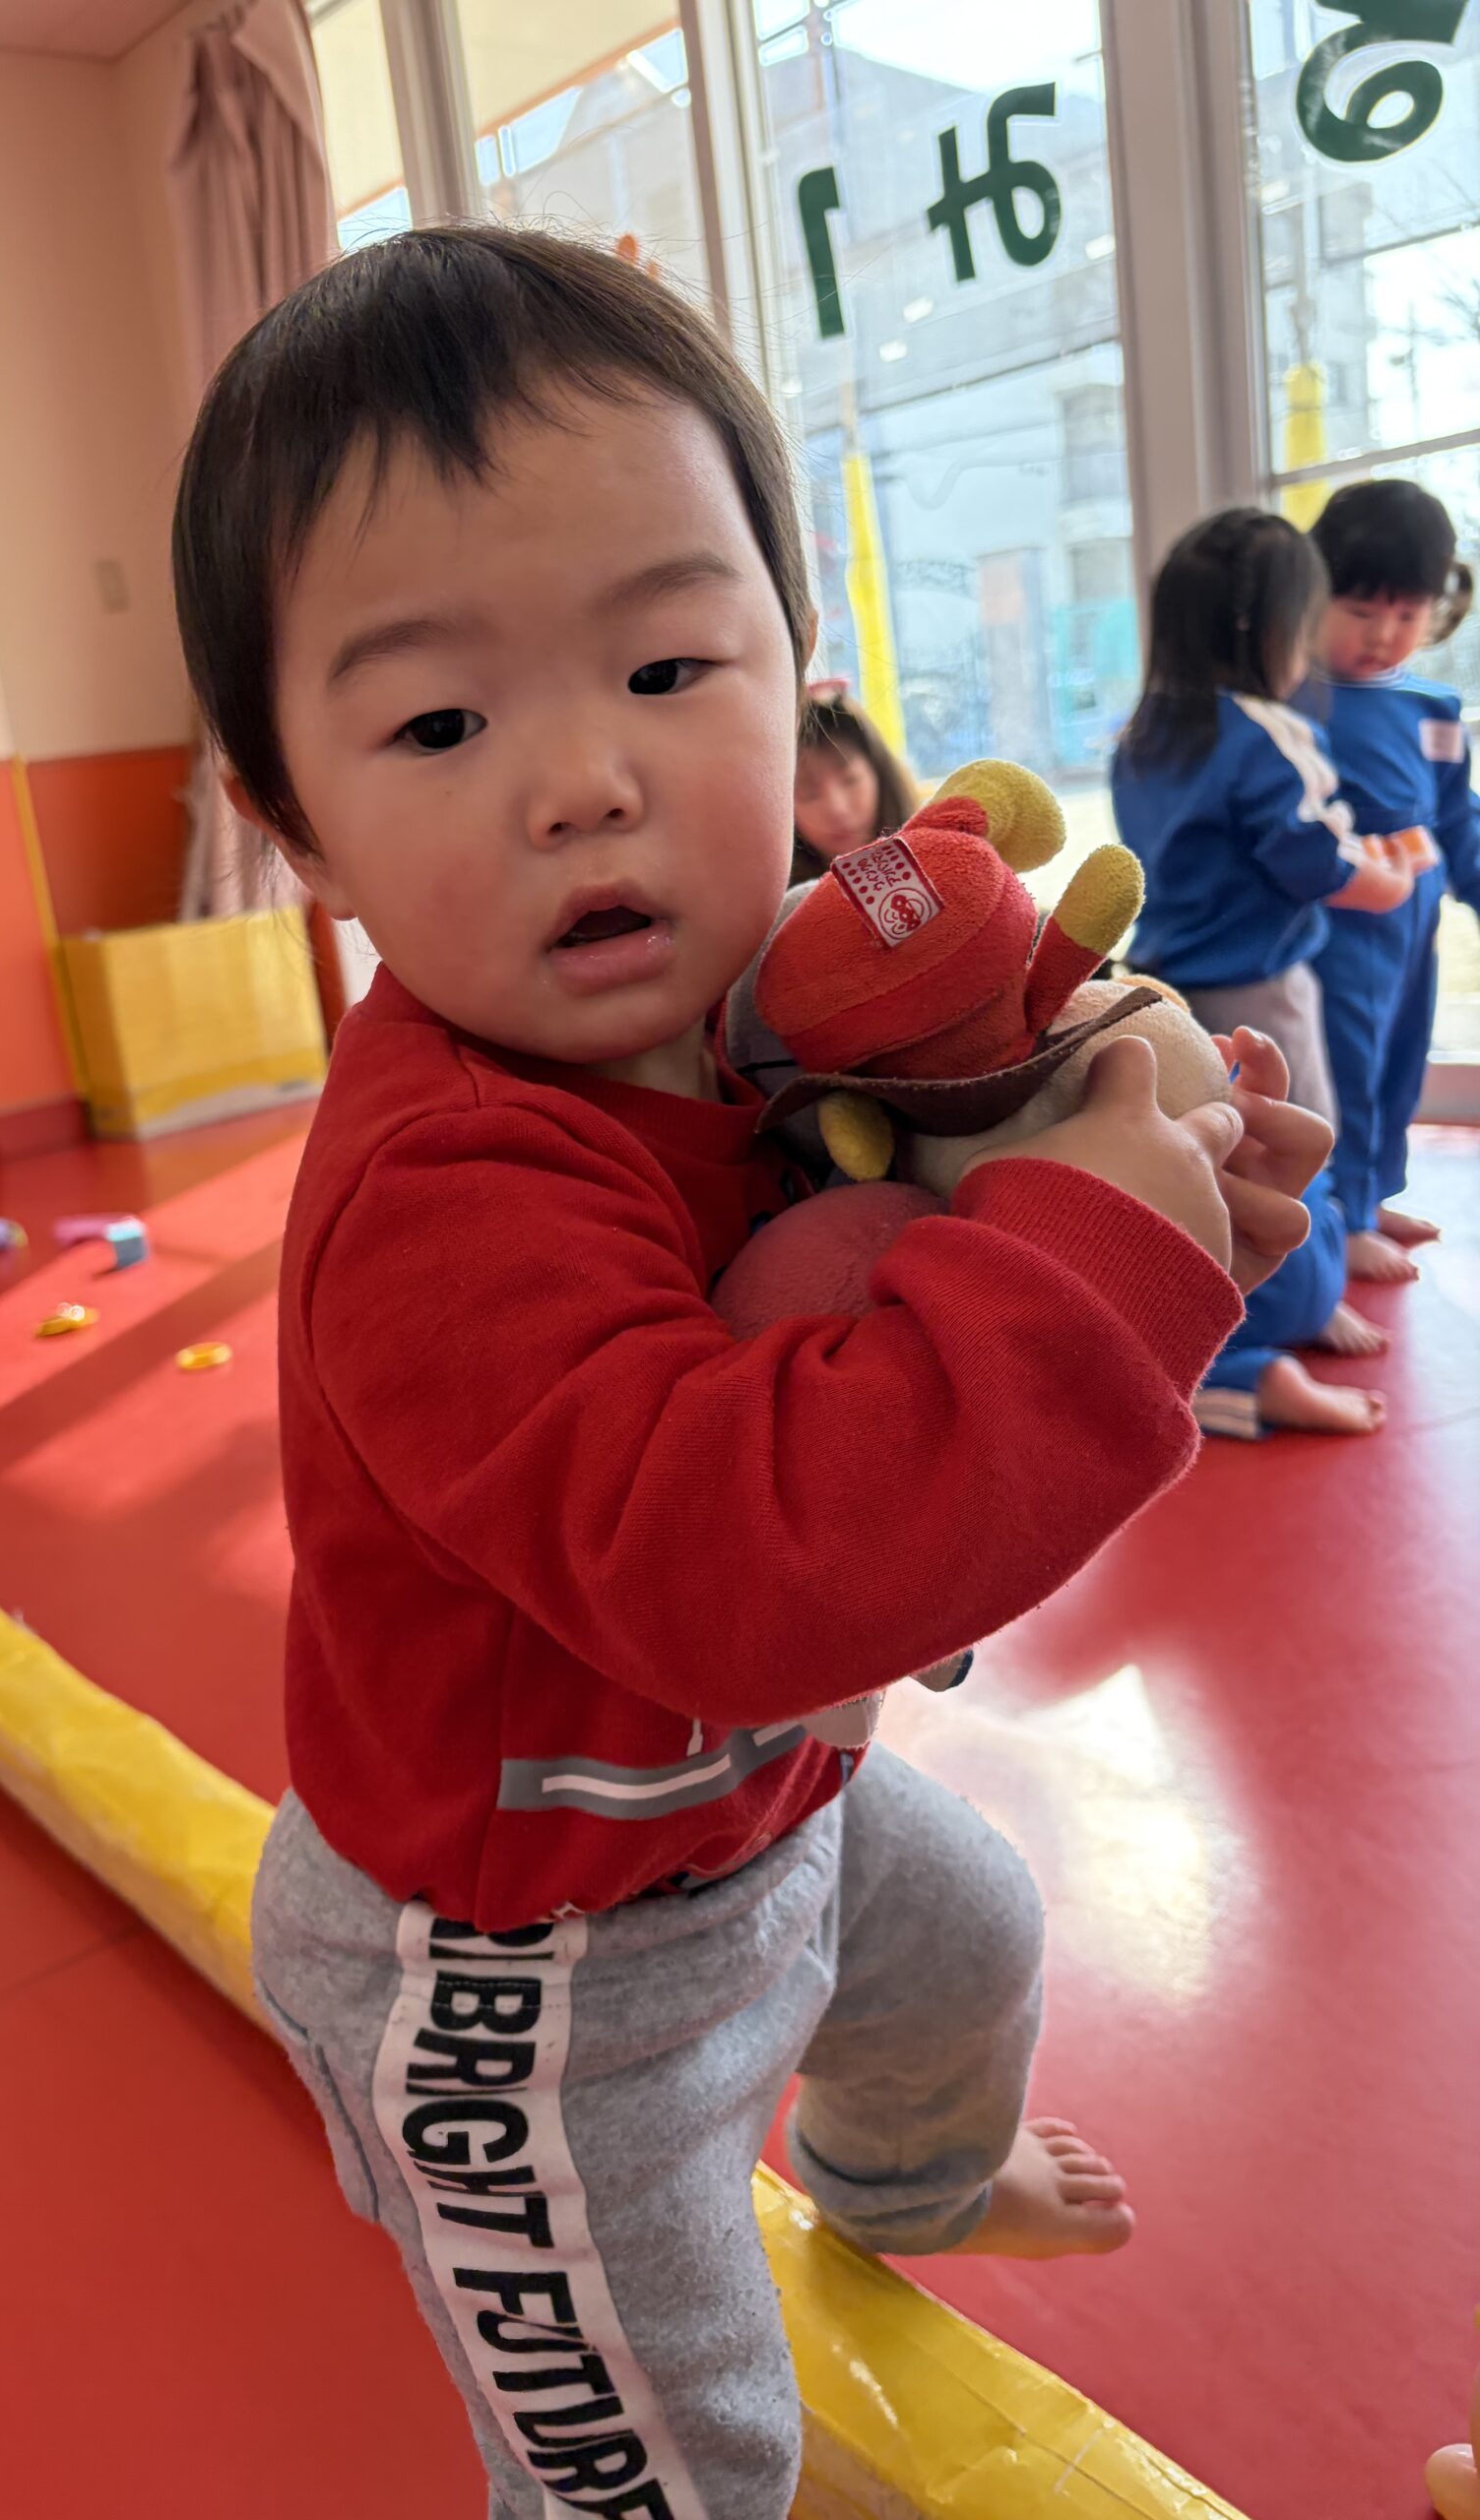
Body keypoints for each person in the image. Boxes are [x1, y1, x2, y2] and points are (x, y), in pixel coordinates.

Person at [172, 228, 1323, 2519]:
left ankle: (906, 2174)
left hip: (742, 1802)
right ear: (295, 822)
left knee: (970, 1928)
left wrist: (1157, 1182)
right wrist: (1090, 1263)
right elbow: (751, 1573)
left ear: (799, 683)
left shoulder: (741, 1013)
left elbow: (926, 1192)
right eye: (438, 724)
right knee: (671, 2460)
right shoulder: (444, 1193)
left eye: (667, 664)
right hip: (526, 1971)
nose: (582, 781)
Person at [1114, 507, 1409, 1436]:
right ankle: (1281, 1331)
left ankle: (1245, 1325)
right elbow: (1314, 859)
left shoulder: (1144, 735)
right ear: (1270, 628)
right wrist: (1391, 878)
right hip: (1258, 990)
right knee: (1295, 1155)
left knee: (1210, 1173)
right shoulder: (1264, 729)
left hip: (1165, 992)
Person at [1307, 478, 1480, 1283]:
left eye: (1407, 615)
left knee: (1400, 1063)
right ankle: (1337, 1218)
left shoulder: (1433, 708)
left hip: (1414, 929)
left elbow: (1456, 817)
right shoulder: (1296, 701)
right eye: (1360, 612)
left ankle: (1373, 1195)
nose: (1384, 635)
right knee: (1342, 1070)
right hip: (1336, 928)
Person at [791, 677, 917, 879]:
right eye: (808, 793)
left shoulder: (933, 854)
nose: (837, 809)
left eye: (850, 780)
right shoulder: (781, 898)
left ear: (878, 770)